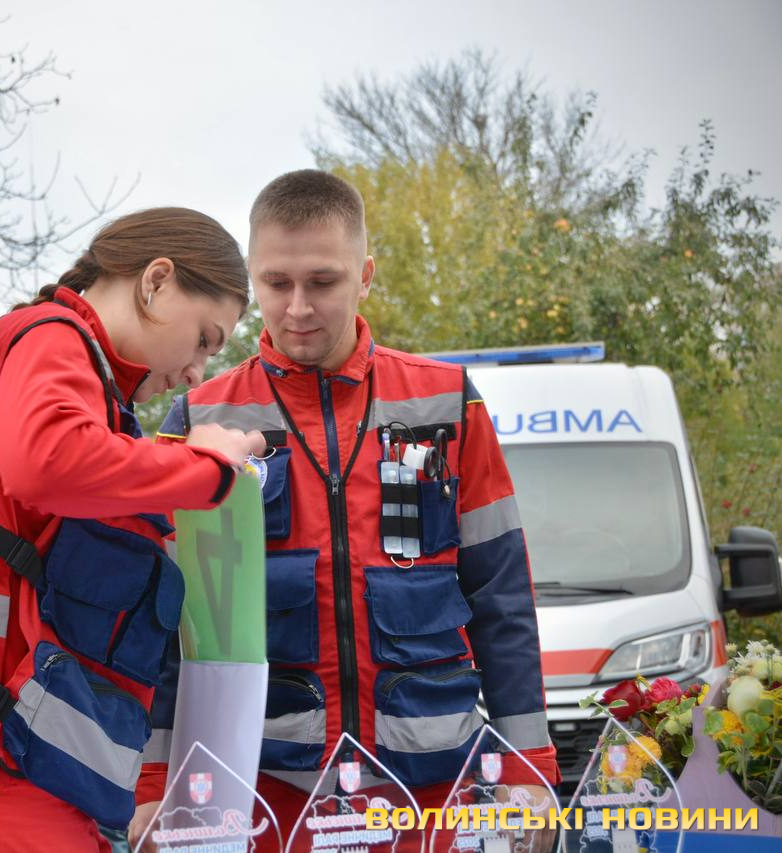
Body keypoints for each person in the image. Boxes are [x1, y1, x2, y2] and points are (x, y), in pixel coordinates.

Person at [132, 171, 559, 849]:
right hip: (263, 797)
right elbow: (165, 622)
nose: (298, 306)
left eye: (323, 281)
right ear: (252, 281)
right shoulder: (198, 419)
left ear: (365, 276)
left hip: (433, 794)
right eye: (276, 283)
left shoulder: (450, 401)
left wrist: (528, 765)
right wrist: (156, 781)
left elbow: (501, 593)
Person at [0, 207, 267, 852]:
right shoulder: (51, 336)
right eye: (205, 340)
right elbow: (47, 460)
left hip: (4, 764)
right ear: (156, 281)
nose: (197, 372)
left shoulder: (82, 382)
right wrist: (203, 468)